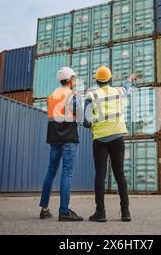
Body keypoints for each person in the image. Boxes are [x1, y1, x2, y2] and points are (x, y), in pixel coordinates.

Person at [83, 66, 137, 222]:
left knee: (100, 175)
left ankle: (100, 213)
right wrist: (128, 79)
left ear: (97, 80)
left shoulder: (91, 95)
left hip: (100, 139)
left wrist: (94, 121)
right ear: (110, 79)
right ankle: (126, 212)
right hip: (118, 137)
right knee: (120, 174)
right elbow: (127, 87)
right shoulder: (119, 91)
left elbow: (86, 123)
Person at [39, 67, 84, 222]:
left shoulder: (51, 96)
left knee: (51, 171)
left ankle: (44, 209)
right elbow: (80, 117)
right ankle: (64, 211)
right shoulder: (73, 95)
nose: (75, 81)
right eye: (75, 78)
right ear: (71, 79)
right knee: (67, 173)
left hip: (54, 138)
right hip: (69, 138)